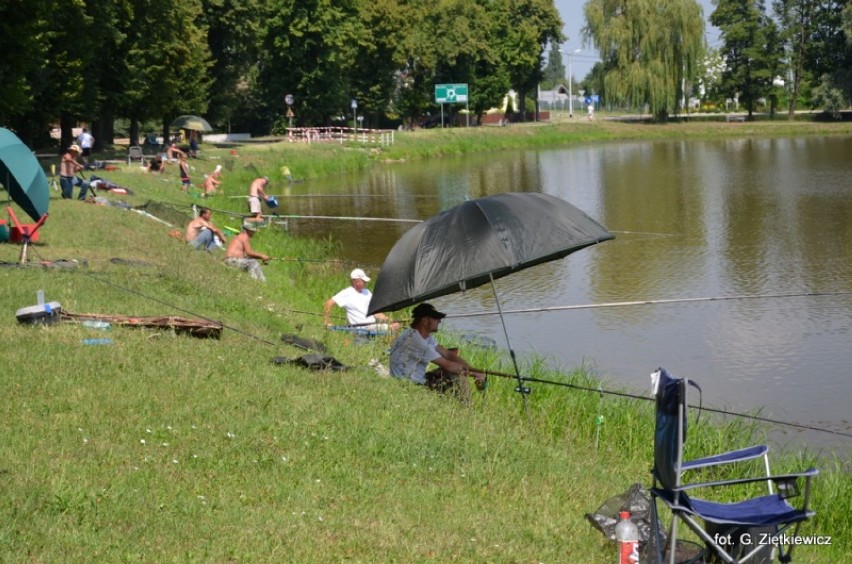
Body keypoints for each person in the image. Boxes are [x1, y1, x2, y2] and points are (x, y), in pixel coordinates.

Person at [388, 303, 485, 403]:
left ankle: (461, 405)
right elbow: (448, 365)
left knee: (455, 370)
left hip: (414, 379)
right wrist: (474, 373)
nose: (439, 321)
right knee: (456, 373)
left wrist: (474, 370)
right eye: (435, 318)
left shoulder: (421, 335)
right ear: (424, 321)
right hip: (407, 384)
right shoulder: (417, 341)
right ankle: (466, 408)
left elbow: (448, 354)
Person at [323, 268, 400, 332]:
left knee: (395, 325)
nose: (365, 283)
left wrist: (388, 319)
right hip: (360, 328)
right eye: (363, 281)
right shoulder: (347, 293)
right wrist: (327, 321)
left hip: (372, 326)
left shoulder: (367, 292)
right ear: (355, 281)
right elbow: (329, 303)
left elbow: (375, 312)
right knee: (391, 328)